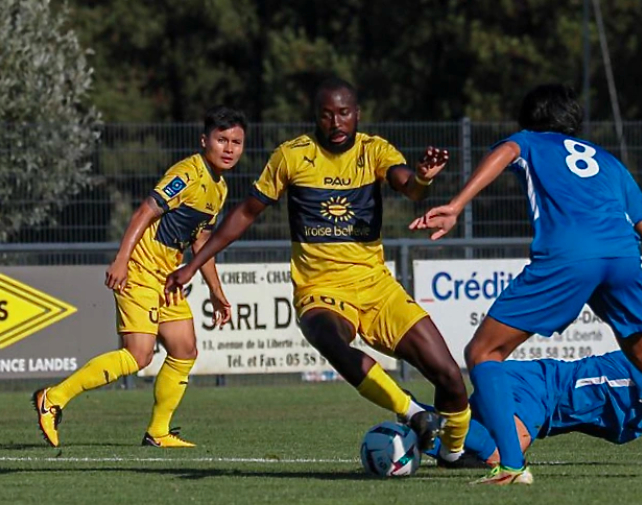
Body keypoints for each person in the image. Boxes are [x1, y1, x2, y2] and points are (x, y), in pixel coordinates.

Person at [410, 83, 642, 483]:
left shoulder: (530, 142)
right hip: (623, 258)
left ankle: (512, 466)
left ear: (531, 121)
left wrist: (456, 204)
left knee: (483, 352)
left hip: (570, 253)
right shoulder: (609, 162)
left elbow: (505, 153)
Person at [164, 77, 471, 463]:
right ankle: (411, 411)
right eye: (327, 115)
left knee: (449, 376)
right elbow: (245, 212)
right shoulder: (292, 156)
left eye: (343, 113)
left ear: (356, 114)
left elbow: (408, 186)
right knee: (331, 340)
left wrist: (423, 177)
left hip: (377, 288)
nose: (336, 123)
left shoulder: (373, 150)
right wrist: (193, 265)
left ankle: (454, 453)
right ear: (316, 117)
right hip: (320, 290)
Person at [33, 106, 247, 448]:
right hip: (140, 270)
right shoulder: (188, 173)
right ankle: (53, 398)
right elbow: (146, 210)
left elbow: (201, 240)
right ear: (204, 140)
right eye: (221, 140)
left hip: (168, 279)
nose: (229, 148)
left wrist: (216, 291)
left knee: (184, 349)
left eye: (236, 142)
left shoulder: (219, 189)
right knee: (139, 355)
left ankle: (158, 432)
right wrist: (122, 259)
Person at [422, 334, 642, 481]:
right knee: (504, 462)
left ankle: (426, 427)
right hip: (532, 388)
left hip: (537, 402)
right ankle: (422, 417)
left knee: (471, 453)